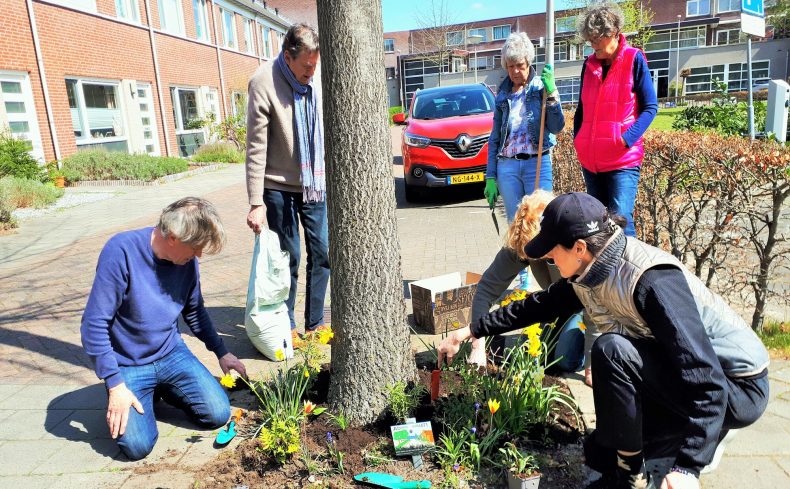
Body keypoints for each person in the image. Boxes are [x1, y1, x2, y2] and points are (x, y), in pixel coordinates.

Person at [438, 192, 770, 489]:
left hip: (736, 387)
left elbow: (707, 379)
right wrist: (473, 331)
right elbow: (541, 305)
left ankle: (638, 468)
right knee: (601, 448)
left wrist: (689, 466)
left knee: (612, 351)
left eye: (553, 252)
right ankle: (634, 459)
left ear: (579, 248)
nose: (549, 261)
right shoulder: (589, 268)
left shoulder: (651, 283)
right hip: (682, 370)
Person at [80, 197, 248, 461]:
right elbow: (93, 325)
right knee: (137, 447)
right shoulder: (121, 251)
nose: (199, 255)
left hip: (171, 353)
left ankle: (162, 388)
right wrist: (115, 385)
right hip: (129, 363)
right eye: (196, 247)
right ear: (172, 237)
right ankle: (142, 393)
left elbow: (194, 311)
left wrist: (222, 352)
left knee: (217, 413)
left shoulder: (186, 261)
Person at [246, 23, 330, 348]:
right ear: (288, 56)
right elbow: (255, 146)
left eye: (315, 64)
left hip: (315, 183)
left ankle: (315, 322)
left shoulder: (316, 76)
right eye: (306, 66)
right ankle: (288, 323)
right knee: (289, 257)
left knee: (322, 253)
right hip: (277, 186)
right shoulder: (263, 81)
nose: (312, 71)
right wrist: (256, 202)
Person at [467, 190, 593, 375]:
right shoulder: (524, 240)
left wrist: (592, 362)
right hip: (557, 303)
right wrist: (477, 345)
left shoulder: (575, 242)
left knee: (565, 360)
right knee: (540, 354)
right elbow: (486, 289)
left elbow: (594, 300)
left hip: (589, 308)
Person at [574, 2, 658, 237]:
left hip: (622, 161)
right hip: (591, 163)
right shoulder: (588, 65)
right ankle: (604, 274)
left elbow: (651, 107)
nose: (592, 45)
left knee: (621, 221)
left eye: (596, 39)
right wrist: (578, 139)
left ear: (613, 34)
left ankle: (630, 272)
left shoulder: (634, 59)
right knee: (597, 226)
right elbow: (582, 108)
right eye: (589, 40)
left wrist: (626, 139)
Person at [485, 32, 565, 224]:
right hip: (508, 167)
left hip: (536, 163)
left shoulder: (541, 88)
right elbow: (495, 138)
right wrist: (490, 176)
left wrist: (552, 93)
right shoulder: (502, 96)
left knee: (540, 220)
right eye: (510, 66)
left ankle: (543, 256)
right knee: (515, 224)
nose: (515, 72)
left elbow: (556, 127)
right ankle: (519, 255)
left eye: (519, 65)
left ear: (528, 62)